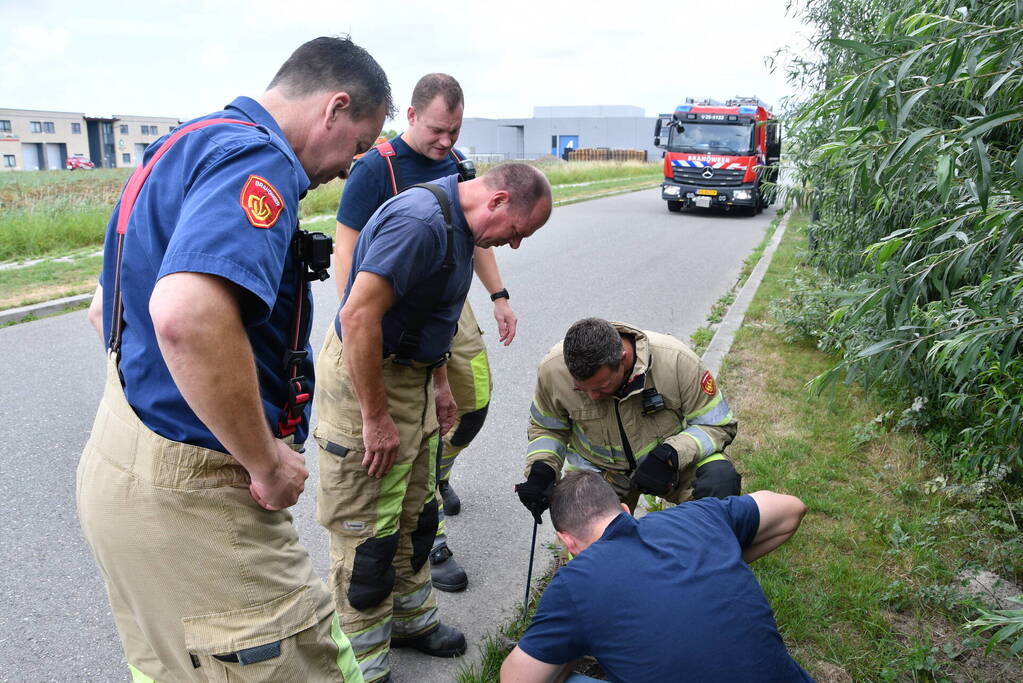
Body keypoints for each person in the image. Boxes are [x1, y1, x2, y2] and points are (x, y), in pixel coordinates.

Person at [78, 36, 392, 682]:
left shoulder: (184, 143)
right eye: (359, 144)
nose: (350, 166)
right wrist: (264, 460)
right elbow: (185, 316)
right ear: (334, 107)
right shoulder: (260, 161)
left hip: (118, 459)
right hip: (197, 488)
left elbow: (104, 303)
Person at [314, 163, 552, 682]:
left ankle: (410, 621)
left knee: (417, 514)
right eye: (516, 232)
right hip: (369, 382)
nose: (512, 246)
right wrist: (374, 416)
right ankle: (365, 666)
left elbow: (432, 312)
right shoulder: (420, 223)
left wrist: (440, 383)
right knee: (368, 537)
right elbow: (358, 318)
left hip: (415, 379)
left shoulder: (461, 228)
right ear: (498, 201)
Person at [330, 73, 515, 593]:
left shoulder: (456, 167)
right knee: (409, 437)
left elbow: (480, 235)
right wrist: (358, 327)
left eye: (454, 131)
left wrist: (498, 297)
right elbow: (349, 252)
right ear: (410, 117)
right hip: (389, 314)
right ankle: (427, 540)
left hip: (447, 308)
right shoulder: (376, 169)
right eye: (438, 129)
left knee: (471, 401)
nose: (446, 142)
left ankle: (440, 474)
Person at [501, 471, 814, 682]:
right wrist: (720, 556)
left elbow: (516, 679)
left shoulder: (575, 583)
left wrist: (564, 653)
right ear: (624, 510)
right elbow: (791, 509)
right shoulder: (699, 516)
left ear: (567, 541)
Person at [515, 317, 740, 521]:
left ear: (623, 359)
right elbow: (547, 428)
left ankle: (705, 554)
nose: (593, 396)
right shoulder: (553, 370)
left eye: (602, 387)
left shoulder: (676, 361)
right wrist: (541, 469)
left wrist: (671, 455)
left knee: (718, 480)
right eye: (581, 389)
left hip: (669, 463)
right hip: (599, 472)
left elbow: (717, 424)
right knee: (588, 545)